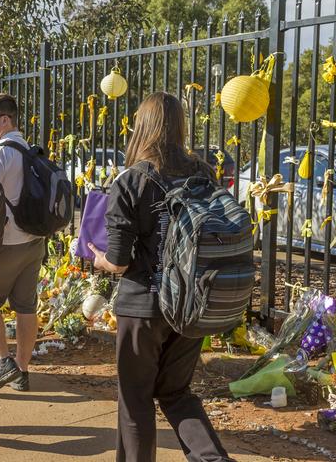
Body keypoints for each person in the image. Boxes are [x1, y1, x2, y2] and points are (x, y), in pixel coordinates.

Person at [88, 92, 234, 462]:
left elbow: (119, 262)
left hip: (144, 303)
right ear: (179, 127)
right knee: (176, 392)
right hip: (191, 301)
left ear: (143, 126)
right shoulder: (203, 173)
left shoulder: (131, 180)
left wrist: (98, 259)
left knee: (135, 397)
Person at [0, 93, 44, 392]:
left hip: (6, 243)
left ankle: (2, 363)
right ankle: (22, 370)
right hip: (34, 240)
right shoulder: (31, 150)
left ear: (5, 119)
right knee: (26, 306)